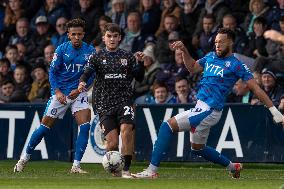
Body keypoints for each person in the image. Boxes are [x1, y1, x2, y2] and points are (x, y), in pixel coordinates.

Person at [133, 28, 284, 179]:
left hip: (209, 109)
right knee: (197, 149)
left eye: (221, 42)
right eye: (216, 42)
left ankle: (151, 171)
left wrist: (274, 111)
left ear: (230, 42)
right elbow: (192, 68)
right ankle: (233, 167)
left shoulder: (236, 65)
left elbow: (256, 88)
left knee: (167, 126)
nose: (217, 45)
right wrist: (184, 50)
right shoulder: (210, 56)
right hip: (202, 107)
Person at [14, 18, 96, 174]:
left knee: (85, 126)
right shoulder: (61, 49)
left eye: (79, 34)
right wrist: (57, 92)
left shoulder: (90, 51)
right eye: (74, 34)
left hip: (79, 93)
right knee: (44, 128)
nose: (77, 37)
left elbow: (91, 75)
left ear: (83, 34)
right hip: (61, 94)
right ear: (68, 34)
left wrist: (79, 90)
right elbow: (52, 72)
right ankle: (24, 158)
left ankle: (76, 166)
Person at [78, 23, 145, 178]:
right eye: (109, 36)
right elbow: (87, 72)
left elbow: (139, 77)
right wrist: (82, 81)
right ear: (104, 38)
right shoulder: (97, 56)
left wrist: (140, 63)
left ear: (120, 38)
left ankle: (127, 170)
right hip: (104, 104)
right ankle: (115, 170)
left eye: (115, 36)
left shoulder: (127, 56)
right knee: (112, 143)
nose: (112, 39)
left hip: (125, 101)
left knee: (126, 132)